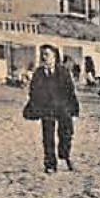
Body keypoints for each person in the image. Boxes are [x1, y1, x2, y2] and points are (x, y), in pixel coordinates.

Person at [24, 43, 79, 173]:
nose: (44, 57)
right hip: (47, 109)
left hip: (62, 108)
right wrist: (36, 106)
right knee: (48, 137)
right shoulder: (38, 73)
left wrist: (73, 108)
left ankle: (64, 154)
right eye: (42, 55)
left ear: (54, 57)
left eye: (47, 55)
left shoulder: (63, 72)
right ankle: (50, 164)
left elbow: (70, 90)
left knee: (66, 134)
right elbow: (33, 91)